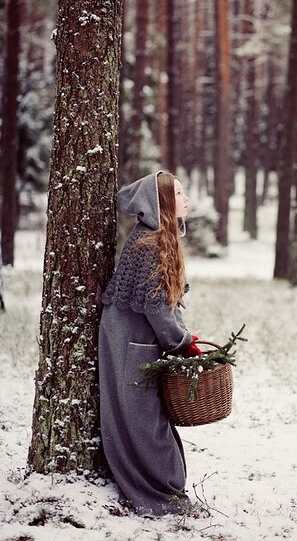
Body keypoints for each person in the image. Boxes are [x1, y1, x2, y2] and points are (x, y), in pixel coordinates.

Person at [98, 170, 202, 517]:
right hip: (129, 341)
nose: (186, 199)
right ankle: (157, 493)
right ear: (160, 203)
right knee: (142, 419)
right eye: (178, 193)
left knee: (145, 416)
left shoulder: (161, 238)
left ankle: (163, 488)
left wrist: (181, 337)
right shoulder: (150, 244)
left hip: (137, 337)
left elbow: (164, 302)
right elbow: (157, 305)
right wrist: (182, 342)